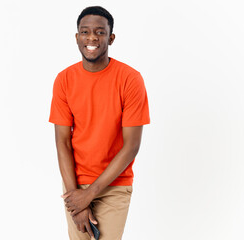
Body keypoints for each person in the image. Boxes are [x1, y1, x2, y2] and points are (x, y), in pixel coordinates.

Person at [49, 6, 150, 240]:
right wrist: (77, 198)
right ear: (77, 37)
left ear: (111, 38)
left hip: (114, 185)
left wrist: (91, 194)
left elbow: (131, 146)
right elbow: (62, 142)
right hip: (75, 184)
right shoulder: (64, 79)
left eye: (100, 32)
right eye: (85, 32)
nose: (92, 38)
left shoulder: (130, 79)